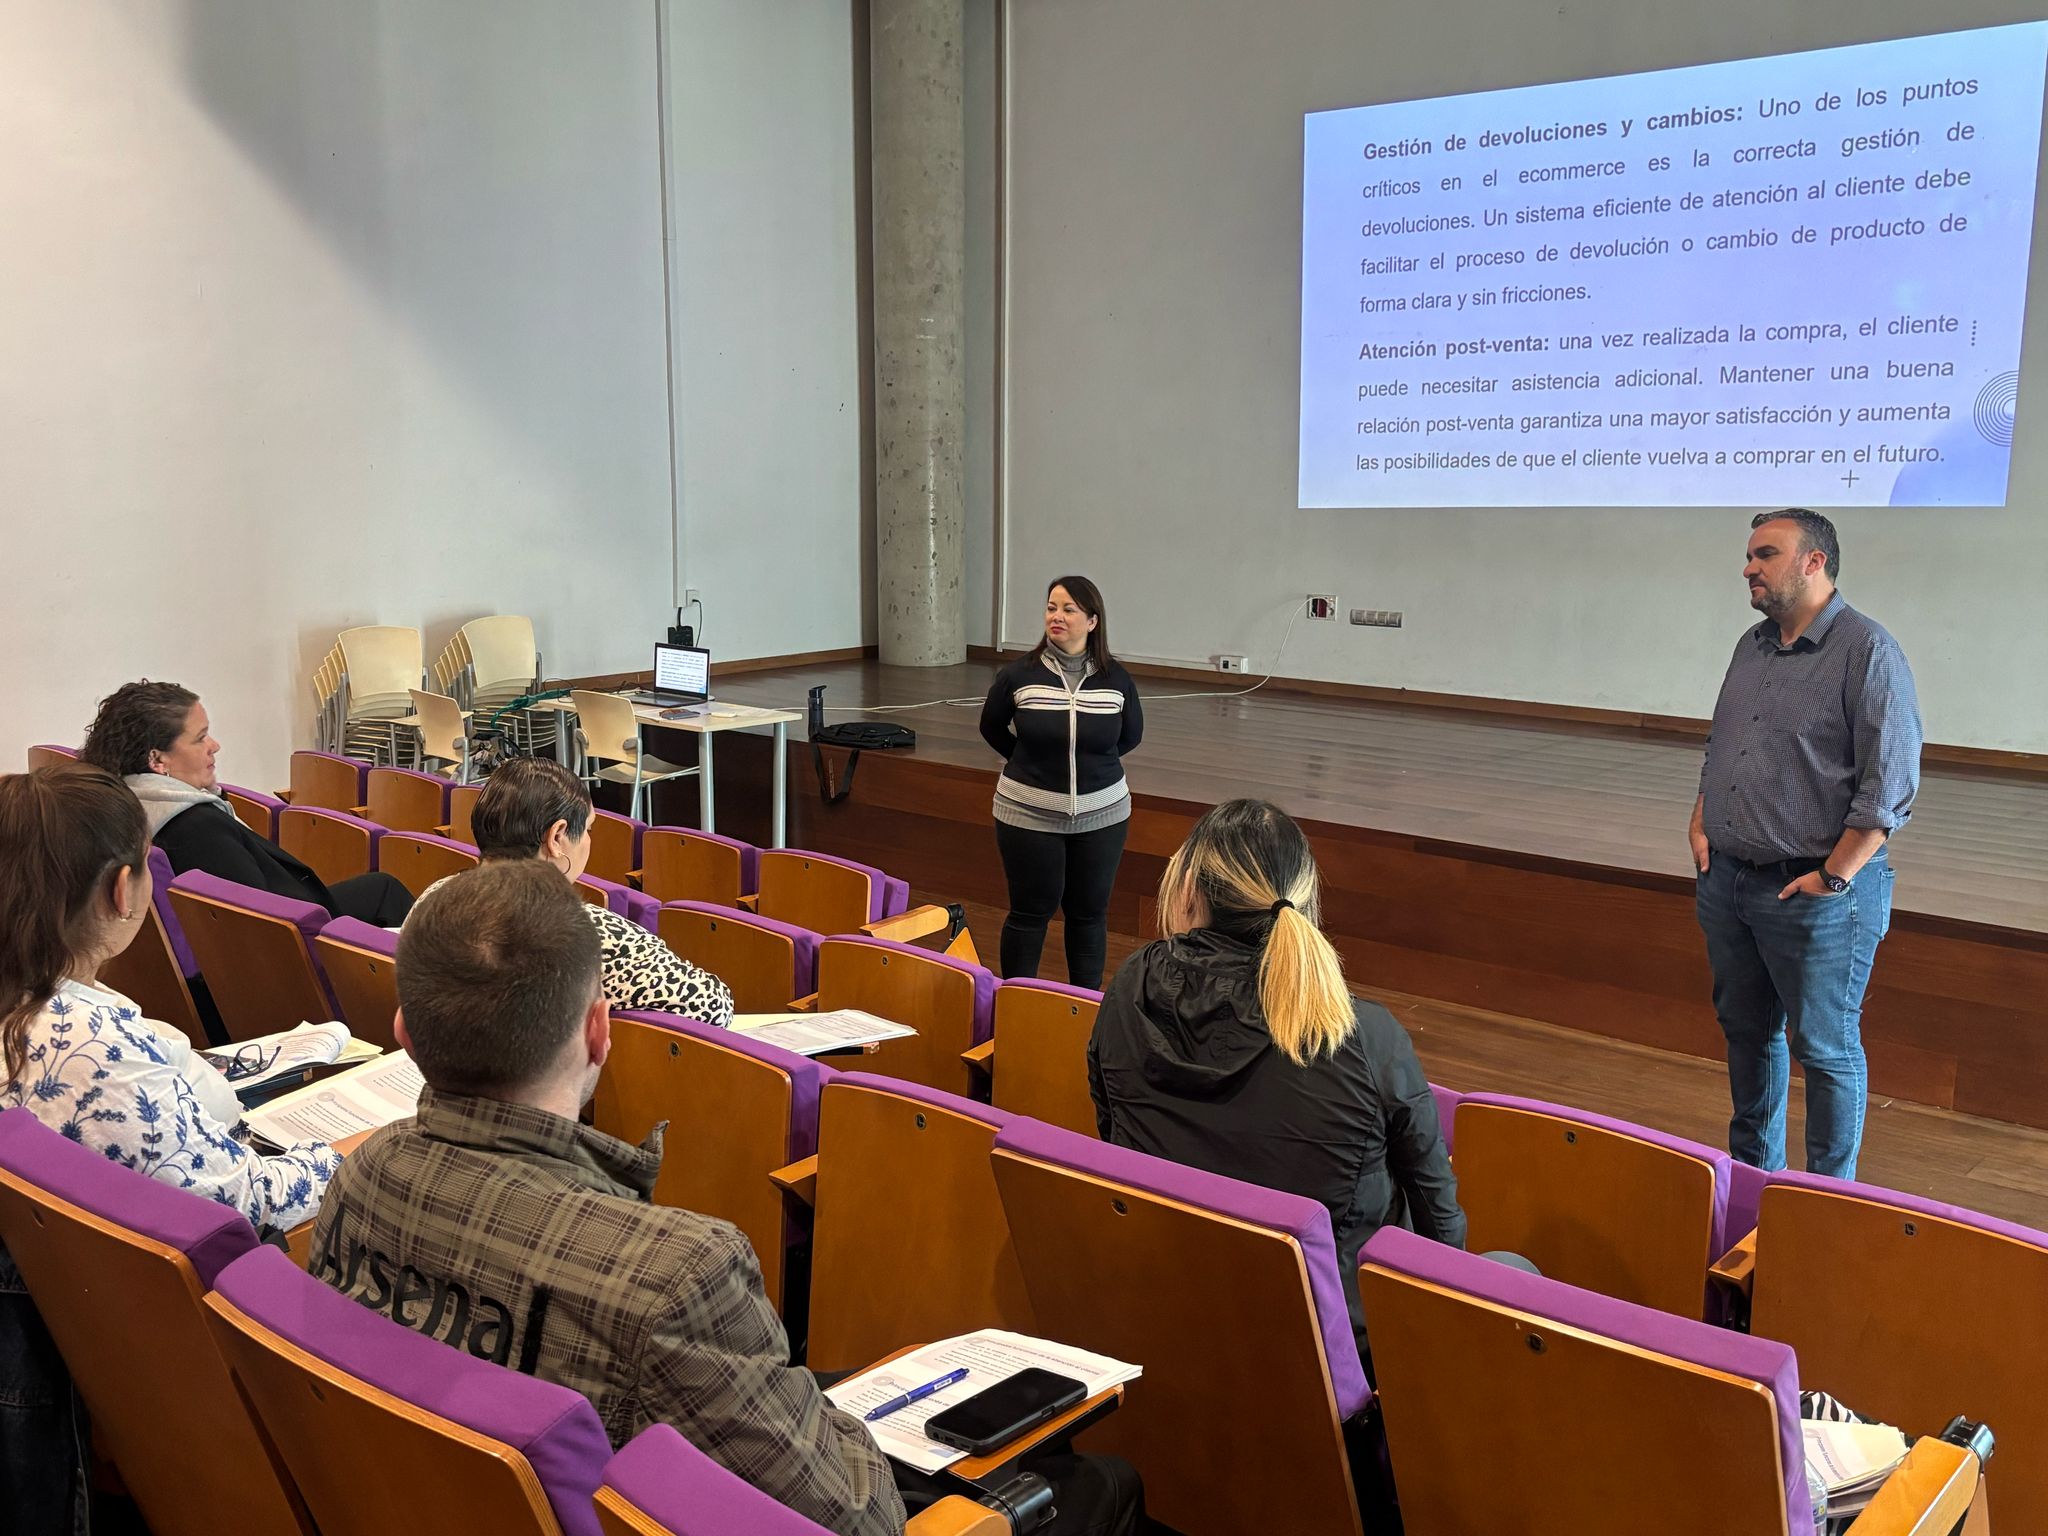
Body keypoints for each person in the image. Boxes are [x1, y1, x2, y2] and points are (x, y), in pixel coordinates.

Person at [311, 861, 1142, 1536]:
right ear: (600, 1030)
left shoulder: (359, 1177)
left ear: (406, 1033)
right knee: (1102, 1485)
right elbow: (862, 1521)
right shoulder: (677, 1274)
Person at [1, 765, 340, 1532]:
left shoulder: (38, 1001)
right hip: (132, 1355)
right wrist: (347, 1160)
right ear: (123, 891)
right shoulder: (89, 1043)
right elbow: (239, 1208)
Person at [1089, 798, 1465, 1360]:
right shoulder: (1364, 1037)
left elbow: (1113, 1135)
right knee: (1513, 1270)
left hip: (1162, 1315)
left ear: (1188, 887)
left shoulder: (1129, 987)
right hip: (1324, 1354)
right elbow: (1441, 1230)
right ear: (1303, 898)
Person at [1691, 510, 1921, 1180]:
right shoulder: (1752, 645)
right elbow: (1724, 745)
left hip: (1816, 895)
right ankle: (1756, 1183)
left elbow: (1890, 785)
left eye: (1766, 554)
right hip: (1730, 882)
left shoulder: (1867, 651)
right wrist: (1703, 819)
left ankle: (1825, 1204)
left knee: (1824, 1050)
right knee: (1747, 1037)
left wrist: (1835, 876)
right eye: (1749, 555)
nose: (1749, 568)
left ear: (1814, 562)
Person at [412, 758, 732, 1024]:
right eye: (589, 829)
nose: (590, 841)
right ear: (557, 837)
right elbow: (714, 1007)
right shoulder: (593, 935)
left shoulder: (435, 898)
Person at [80, 680, 412, 926]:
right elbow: (263, 922)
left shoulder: (124, 799)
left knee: (382, 887)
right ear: (157, 760)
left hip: (278, 923)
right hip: (302, 939)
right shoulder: (197, 827)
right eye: (200, 738)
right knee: (390, 893)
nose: (214, 745)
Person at [978, 576, 1143, 988]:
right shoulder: (1018, 675)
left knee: (1088, 914)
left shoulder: (1117, 679)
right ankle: (1016, 1005)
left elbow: (1130, 736)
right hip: (1027, 814)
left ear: (1092, 621)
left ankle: (1081, 1009)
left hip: (1102, 815)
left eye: (1069, 609)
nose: (1057, 616)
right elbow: (991, 727)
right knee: (1029, 912)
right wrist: (1028, 762)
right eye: (1052, 607)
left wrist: (1093, 767)